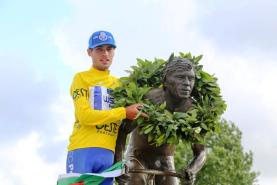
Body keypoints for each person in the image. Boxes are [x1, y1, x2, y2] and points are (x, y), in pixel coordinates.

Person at [66, 30, 146, 185]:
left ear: (114, 52)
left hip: (109, 155)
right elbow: (84, 116)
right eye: (99, 49)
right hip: (82, 150)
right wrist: (123, 112)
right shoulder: (81, 78)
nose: (105, 54)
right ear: (90, 52)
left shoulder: (121, 85)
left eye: (109, 49)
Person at [115, 56, 206, 185]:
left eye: (191, 78)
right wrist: (118, 163)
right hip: (138, 156)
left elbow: (201, 152)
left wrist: (192, 169)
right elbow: (123, 130)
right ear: (165, 80)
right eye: (180, 77)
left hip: (165, 161)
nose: (187, 83)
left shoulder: (192, 111)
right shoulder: (149, 99)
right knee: (135, 180)